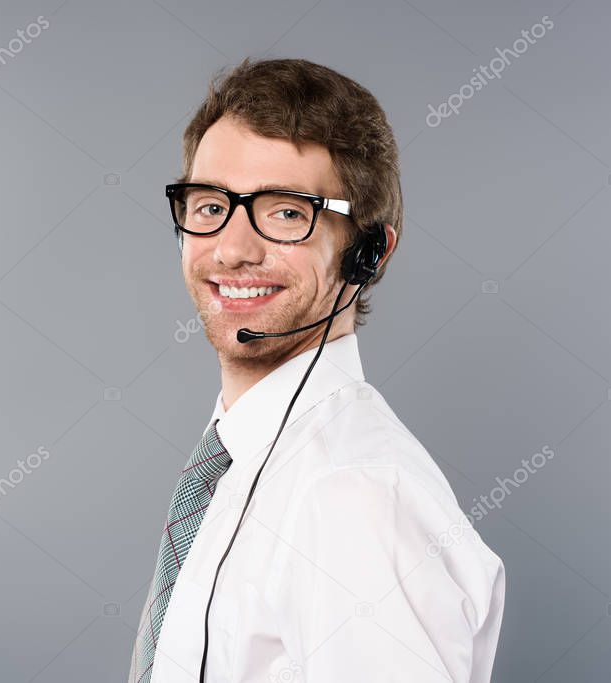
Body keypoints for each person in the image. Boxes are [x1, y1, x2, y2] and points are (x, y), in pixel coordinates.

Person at [128, 57, 505, 683]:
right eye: (210, 204)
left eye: (285, 212)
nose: (231, 249)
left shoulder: (354, 494)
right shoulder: (238, 457)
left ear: (368, 252)